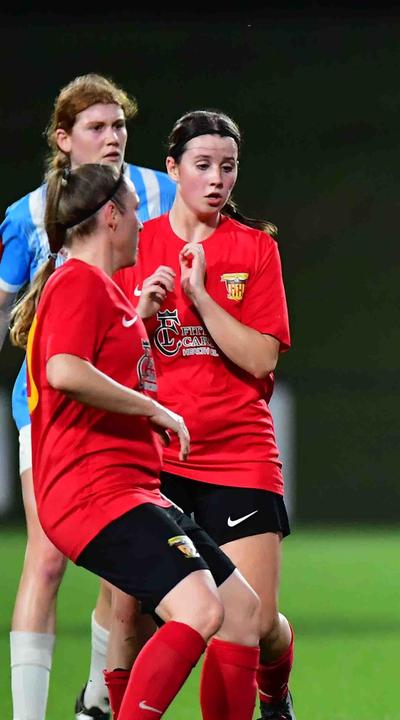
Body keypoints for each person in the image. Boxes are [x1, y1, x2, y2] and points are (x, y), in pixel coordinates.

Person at [10, 162, 261, 719]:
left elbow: (94, 359)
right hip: (97, 494)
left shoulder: (109, 295)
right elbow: (63, 370)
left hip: (134, 491)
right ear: (111, 217)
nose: (145, 228)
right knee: (198, 609)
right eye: (136, 216)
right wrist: (156, 409)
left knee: (242, 611)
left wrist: (138, 319)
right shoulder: (76, 279)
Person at [1, 73, 176, 720]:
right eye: (97, 127)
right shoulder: (28, 213)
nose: (111, 138)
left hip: (127, 397)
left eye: (119, 126)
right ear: (62, 138)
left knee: (122, 578)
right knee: (46, 560)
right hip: (48, 405)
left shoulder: (157, 193)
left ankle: (98, 704)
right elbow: (5, 311)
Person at [113, 109, 295, 720]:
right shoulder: (137, 244)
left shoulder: (255, 248)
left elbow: (260, 357)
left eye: (228, 166)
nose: (217, 179)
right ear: (172, 170)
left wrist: (200, 297)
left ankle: (275, 692)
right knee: (131, 612)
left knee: (256, 623)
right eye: (203, 166)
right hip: (153, 456)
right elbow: (109, 353)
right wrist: (142, 308)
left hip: (238, 457)